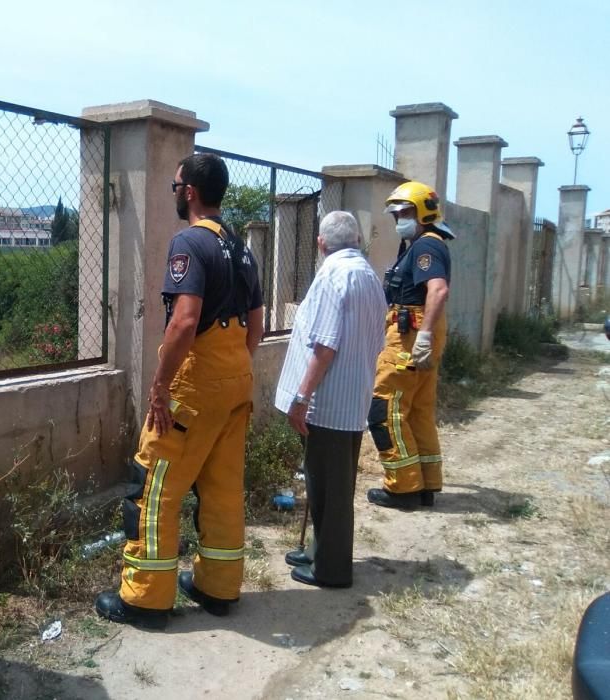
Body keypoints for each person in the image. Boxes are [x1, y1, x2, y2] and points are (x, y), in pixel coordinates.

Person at [95, 153, 264, 627]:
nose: (173, 193)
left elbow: (185, 321)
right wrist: (233, 366)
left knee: (153, 489)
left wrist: (160, 386)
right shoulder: (242, 248)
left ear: (188, 190)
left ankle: (145, 599)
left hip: (195, 386)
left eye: (174, 186)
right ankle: (219, 588)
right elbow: (257, 325)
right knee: (223, 488)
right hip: (236, 382)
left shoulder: (189, 242)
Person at [274, 211, 386, 588]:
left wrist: (301, 397)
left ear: (321, 244)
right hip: (350, 399)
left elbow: (324, 347)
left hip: (329, 403)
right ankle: (317, 551)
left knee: (331, 489)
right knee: (325, 482)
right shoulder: (368, 275)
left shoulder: (334, 276)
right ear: (356, 240)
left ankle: (332, 569)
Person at [367, 181, 454, 509]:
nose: (398, 219)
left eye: (404, 212)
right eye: (396, 214)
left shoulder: (426, 246)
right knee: (418, 410)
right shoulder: (423, 243)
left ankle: (402, 488)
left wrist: (426, 335)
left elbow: (438, 290)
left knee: (385, 409)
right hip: (418, 332)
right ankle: (426, 485)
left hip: (410, 336)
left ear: (423, 212)